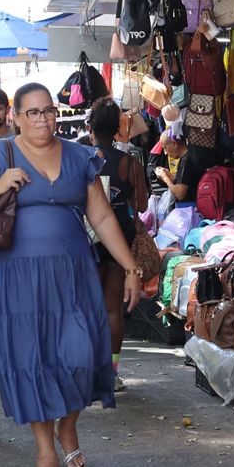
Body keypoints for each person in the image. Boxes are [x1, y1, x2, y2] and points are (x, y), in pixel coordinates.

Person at [0, 82, 142, 467]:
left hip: (73, 274)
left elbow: (102, 219)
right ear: (15, 116)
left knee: (82, 355)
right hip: (16, 277)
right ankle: (45, 448)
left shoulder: (79, 155)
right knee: (32, 361)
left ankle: (67, 426)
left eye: (48, 111)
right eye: (32, 112)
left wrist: (132, 268)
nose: (42, 119)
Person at [88, 98, 148, 393]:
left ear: (90, 127)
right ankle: (111, 372)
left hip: (86, 235)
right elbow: (143, 203)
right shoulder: (128, 161)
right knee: (113, 309)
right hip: (120, 236)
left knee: (85, 306)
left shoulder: (82, 157)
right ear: (117, 130)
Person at [153, 129, 209, 202]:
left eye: (165, 148)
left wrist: (165, 178)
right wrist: (168, 174)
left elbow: (180, 194)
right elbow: (185, 181)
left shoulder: (186, 160)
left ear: (174, 144)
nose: (165, 152)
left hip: (190, 207)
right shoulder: (189, 154)